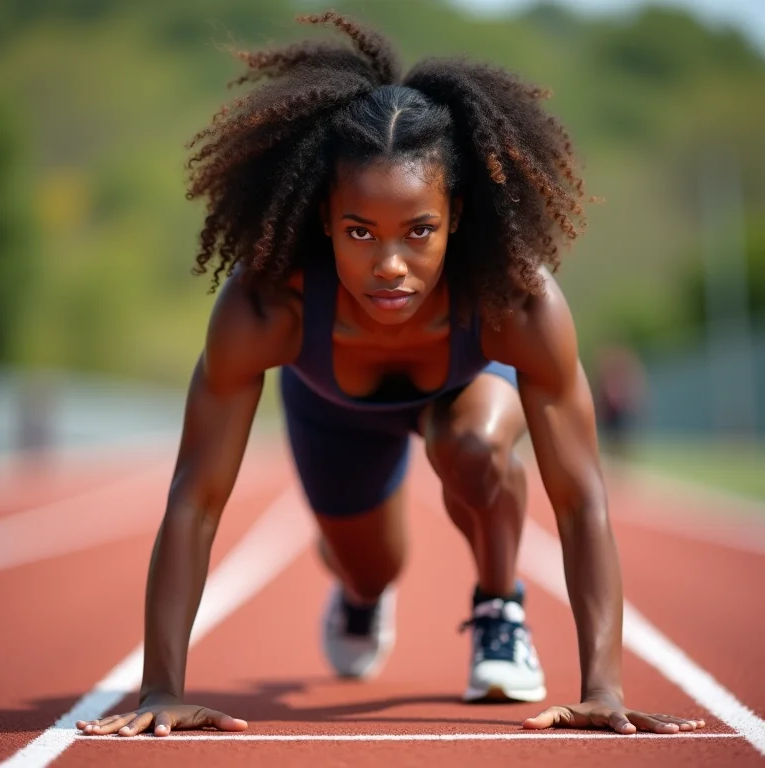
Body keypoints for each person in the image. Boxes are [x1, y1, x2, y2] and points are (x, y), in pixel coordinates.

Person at [77, 12, 704, 738]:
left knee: (474, 451)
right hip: (330, 409)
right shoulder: (265, 306)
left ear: (456, 215)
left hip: (465, 389)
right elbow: (196, 499)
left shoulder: (515, 303)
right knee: (372, 566)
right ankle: (357, 587)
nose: (390, 266)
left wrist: (604, 687)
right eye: (360, 233)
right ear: (323, 219)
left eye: (419, 231)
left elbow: (581, 498)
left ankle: (499, 608)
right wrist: (159, 690)